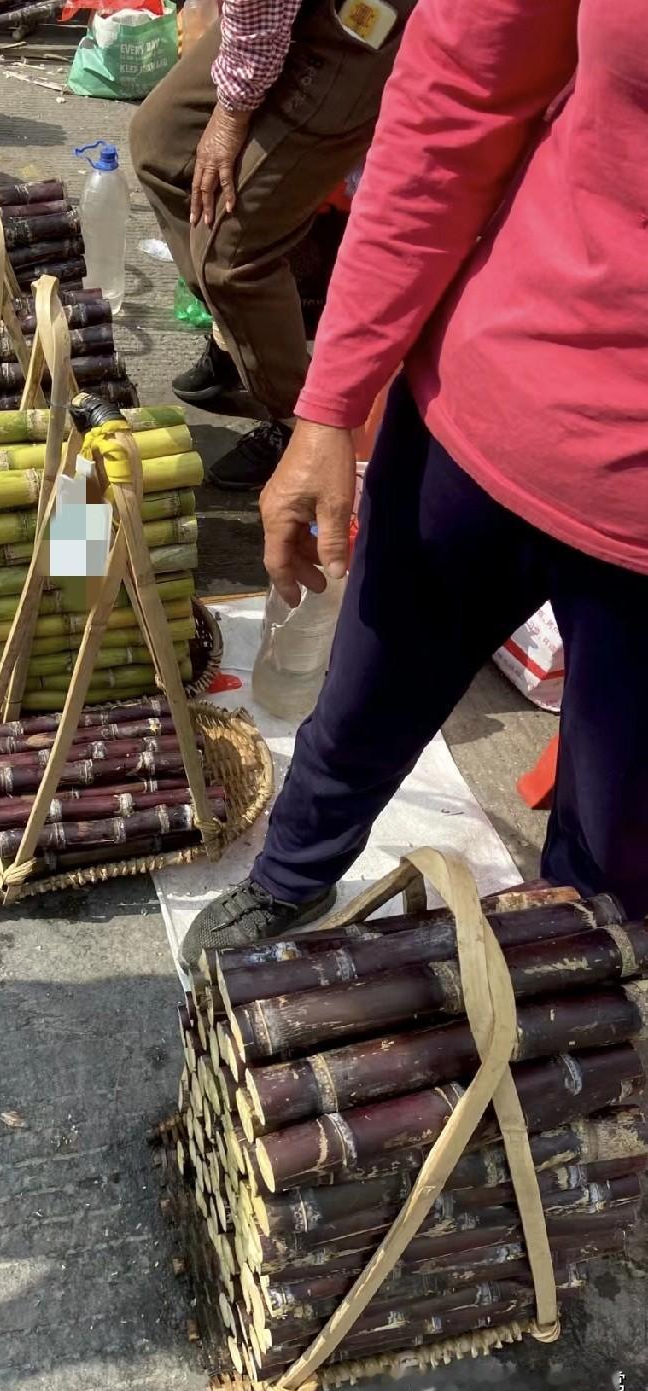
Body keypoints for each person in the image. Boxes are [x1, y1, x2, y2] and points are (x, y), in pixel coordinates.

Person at [180, 0, 648, 968]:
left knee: (611, 856)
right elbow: (449, 108)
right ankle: (291, 876)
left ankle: (557, 1011)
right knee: (358, 701)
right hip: (488, 409)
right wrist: (327, 405)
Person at [130, 0, 417, 490]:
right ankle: (241, 338)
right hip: (275, 15)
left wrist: (232, 111)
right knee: (162, 146)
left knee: (231, 253)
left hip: (356, 16)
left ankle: (304, 426)